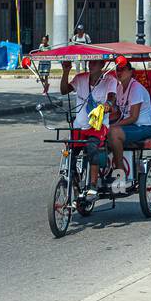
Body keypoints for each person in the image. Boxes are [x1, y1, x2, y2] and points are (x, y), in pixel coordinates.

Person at [59, 57, 117, 200]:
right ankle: (76, 184)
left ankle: (92, 185)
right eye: (89, 62)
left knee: (92, 148)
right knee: (70, 152)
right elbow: (64, 90)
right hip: (79, 126)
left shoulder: (110, 80)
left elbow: (111, 97)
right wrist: (65, 72)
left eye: (94, 62)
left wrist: (107, 105)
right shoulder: (80, 78)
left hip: (98, 126)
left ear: (102, 65)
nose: (90, 65)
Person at [106, 57, 151, 191]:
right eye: (117, 69)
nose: (119, 72)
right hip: (128, 126)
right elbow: (117, 113)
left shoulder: (136, 88)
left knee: (113, 133)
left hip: (143, 127)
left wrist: (114, 126)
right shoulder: (119, 88)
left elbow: (133, 117)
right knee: (102, 131)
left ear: (130, 71)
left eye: (122, 69)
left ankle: (120, 174)